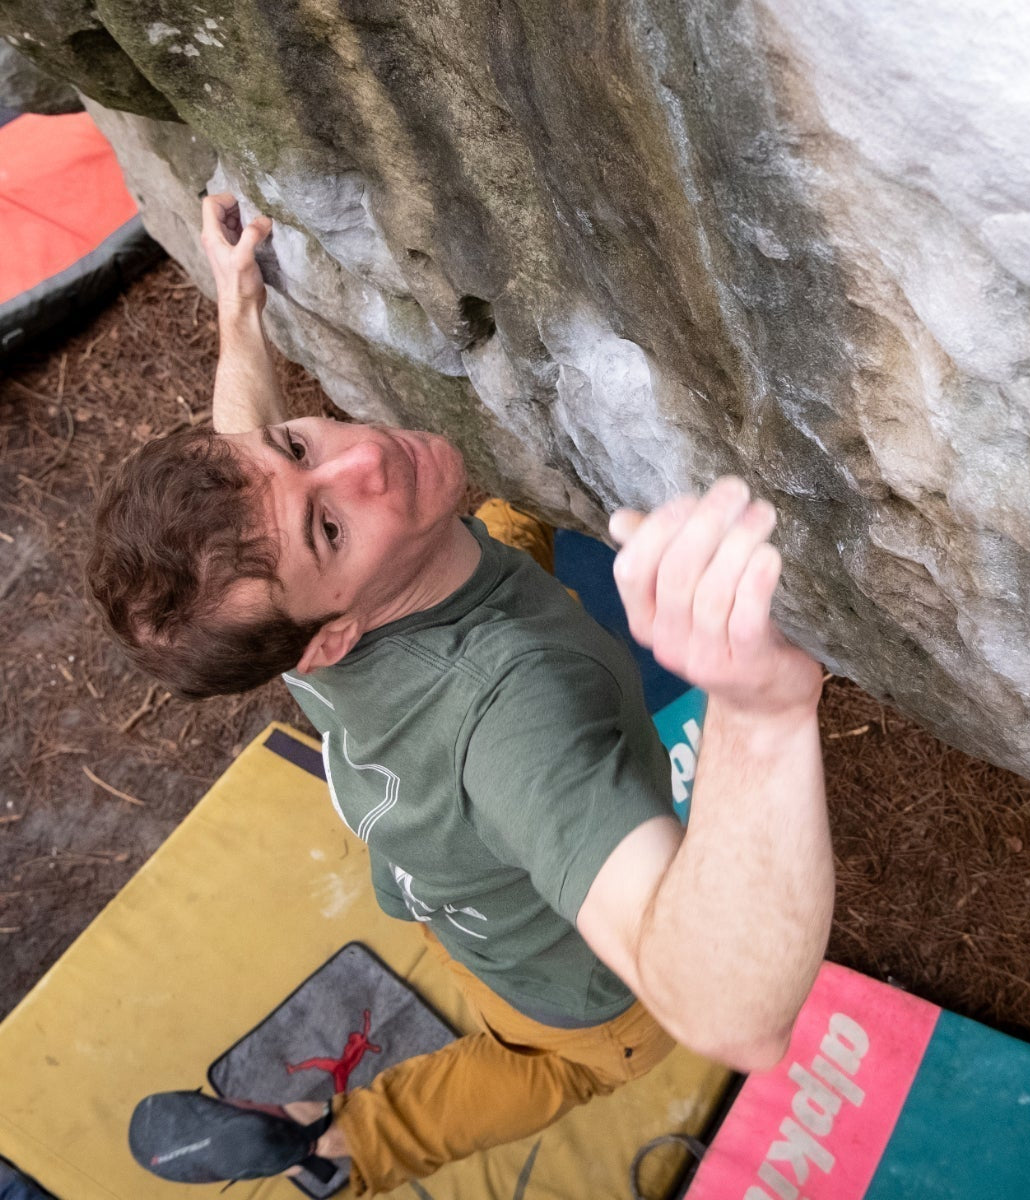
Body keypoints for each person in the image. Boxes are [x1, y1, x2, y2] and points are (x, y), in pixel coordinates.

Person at [97, 194, 835, 1194]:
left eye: (301, 450)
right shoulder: (514, 708)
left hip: (448, 884)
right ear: (334, 637)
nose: (365, 456)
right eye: (330, 530)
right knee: (523, 1076)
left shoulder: (286, 622)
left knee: (498, 531)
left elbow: (245, 434)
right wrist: (762, 713)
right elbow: (727, 1011)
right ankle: (339, 1151)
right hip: (575, 1006)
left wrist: (240, 312)